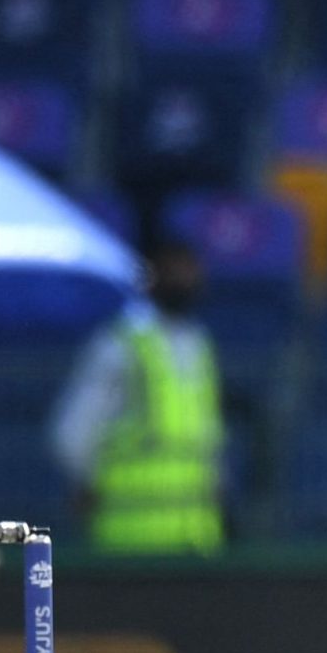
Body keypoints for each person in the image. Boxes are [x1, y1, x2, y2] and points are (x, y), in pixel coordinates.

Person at [49, 235, 227, 553]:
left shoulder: (199, 344)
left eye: (190, 271)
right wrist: (86, 482)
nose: (185, 281)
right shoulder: (120, 345)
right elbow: (72, 433)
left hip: (195, 535)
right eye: (174, 271)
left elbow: (206, 435)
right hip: (131, 536)